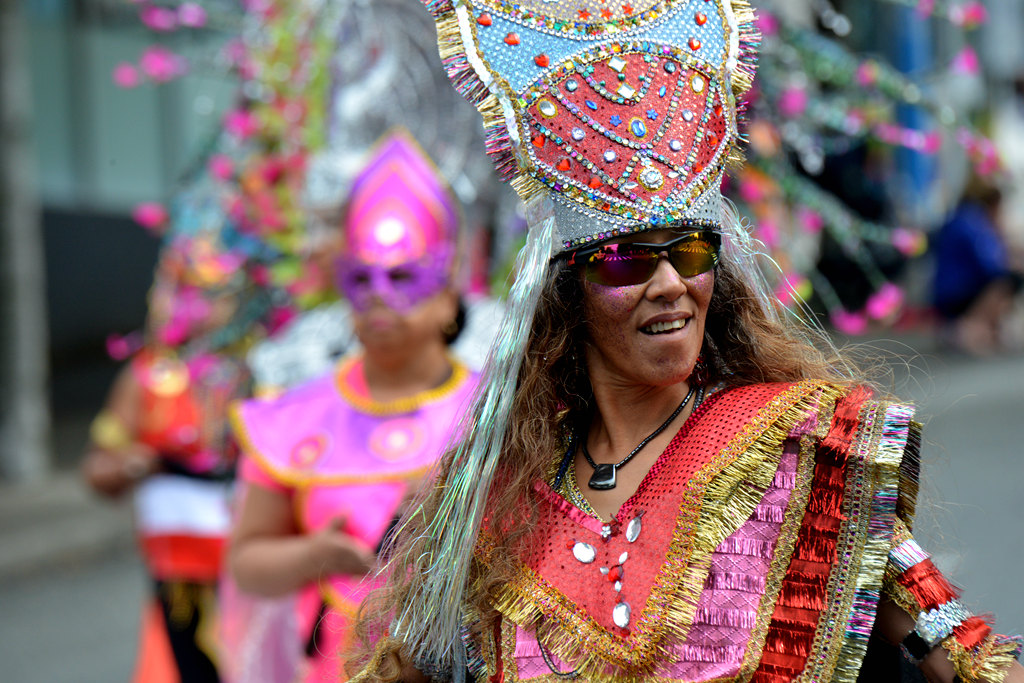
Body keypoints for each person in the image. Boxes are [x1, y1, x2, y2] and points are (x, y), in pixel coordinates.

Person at [349, 1, 1024, 682]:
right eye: (629, 260)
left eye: (691, 253)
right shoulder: (496, 508)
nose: (671, 283)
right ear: (565, 291)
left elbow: (961, 661)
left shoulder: (810, 452)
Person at [228, 132, 479, 682]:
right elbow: (246, 567)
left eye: (404, 277)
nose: (379, 298)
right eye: (361, 278)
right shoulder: (296, 416)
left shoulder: (498, 415)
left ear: (449, 287)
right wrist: (317, 555)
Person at [83, 235, 251, 683]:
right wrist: (135, 462)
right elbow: (98, 469)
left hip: (259, 575)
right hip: (180, 578)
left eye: (218, 293)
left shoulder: (263, 371)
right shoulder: (146, 379)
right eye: (188, 290)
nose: (202, 307)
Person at [932, 177, 1024, 355]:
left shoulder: (959, 216)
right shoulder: (973, 220)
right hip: (957, 291)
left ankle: (979, 327)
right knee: (1009, 280)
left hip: (944, 290)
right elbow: (991, 265)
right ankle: (976, 325)